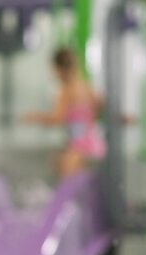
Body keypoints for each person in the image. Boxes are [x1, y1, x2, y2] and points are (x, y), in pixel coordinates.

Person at [23, 46, 106, 178]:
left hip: (78, 147)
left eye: (53, 69)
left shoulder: (65, 90)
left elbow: (57, 119)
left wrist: (35, 117)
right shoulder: (87, 86)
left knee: (69, 187)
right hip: (95, 145)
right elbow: (100, 107)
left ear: (59, 69)